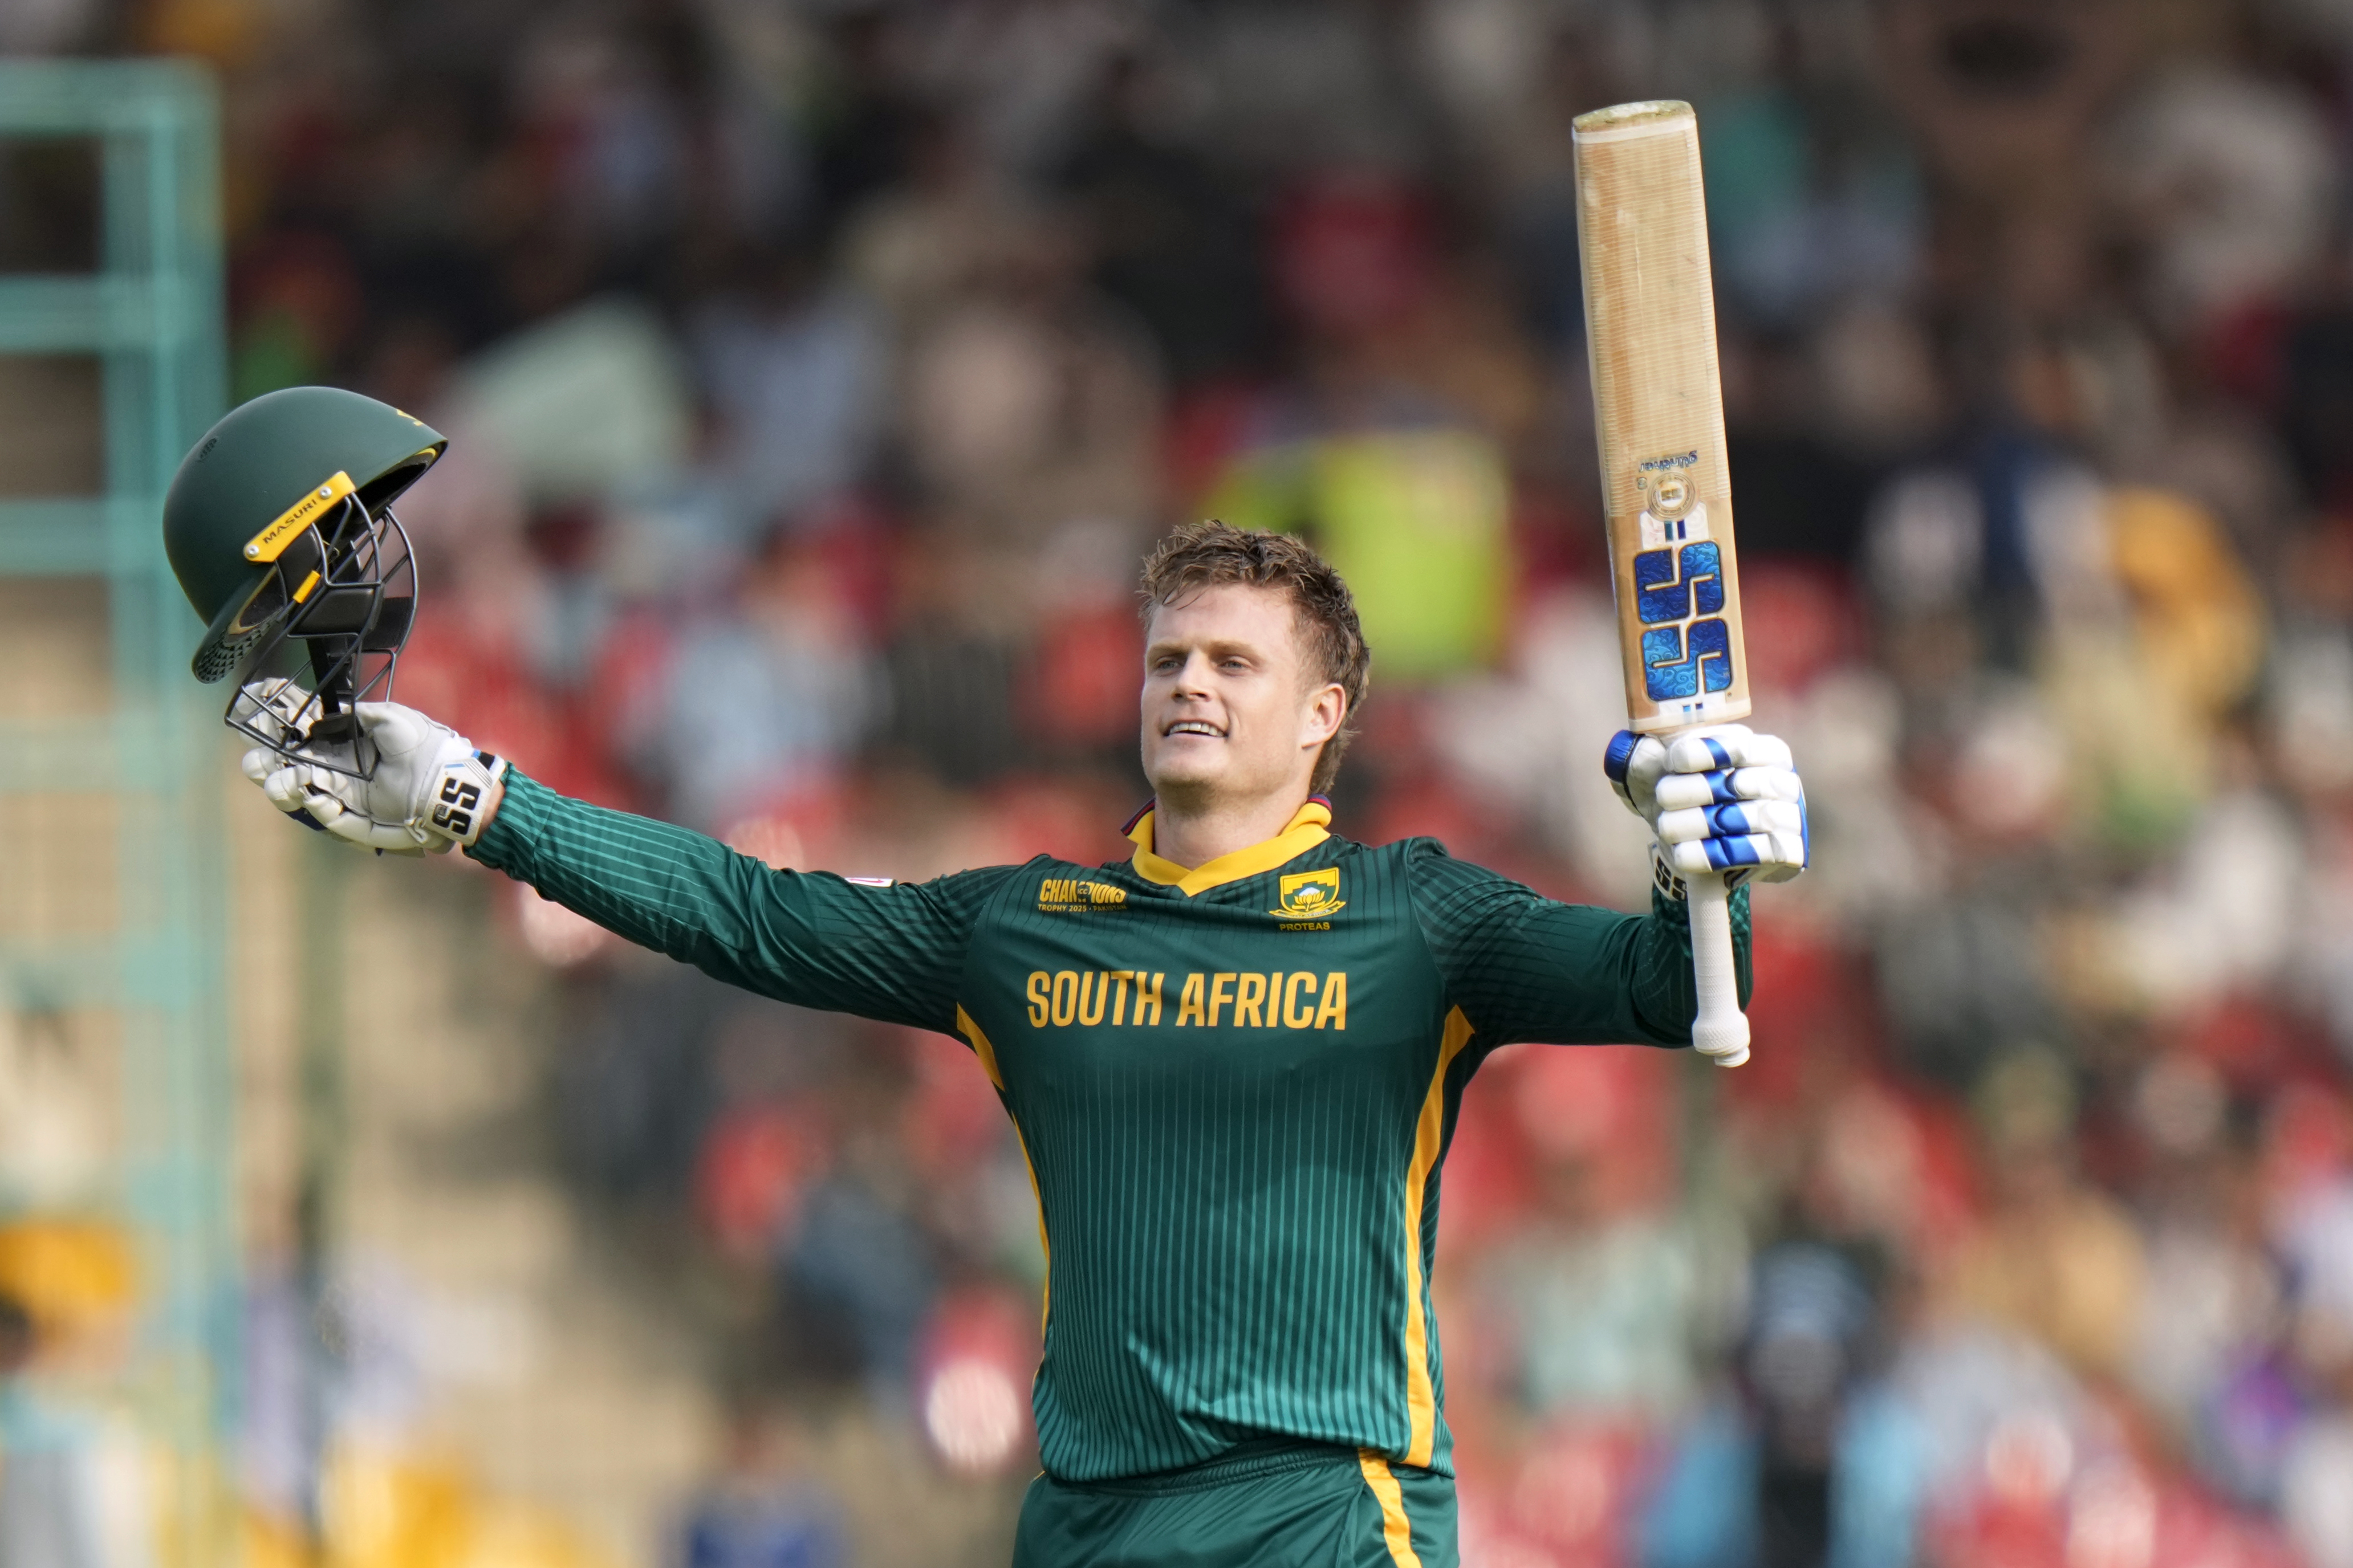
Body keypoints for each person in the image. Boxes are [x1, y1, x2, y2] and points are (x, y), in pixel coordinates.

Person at [166, 394, 1808, 1568]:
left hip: (1329, 1514)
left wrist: (1713, 854)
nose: (1190, 686)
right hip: (1085, 1521)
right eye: (1170, 657)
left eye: (1238, 664)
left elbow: (1673, 991)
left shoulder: (1422, 925)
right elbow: (747, 912)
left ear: (1326, 720)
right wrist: (485, 802)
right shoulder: (1024, 935)